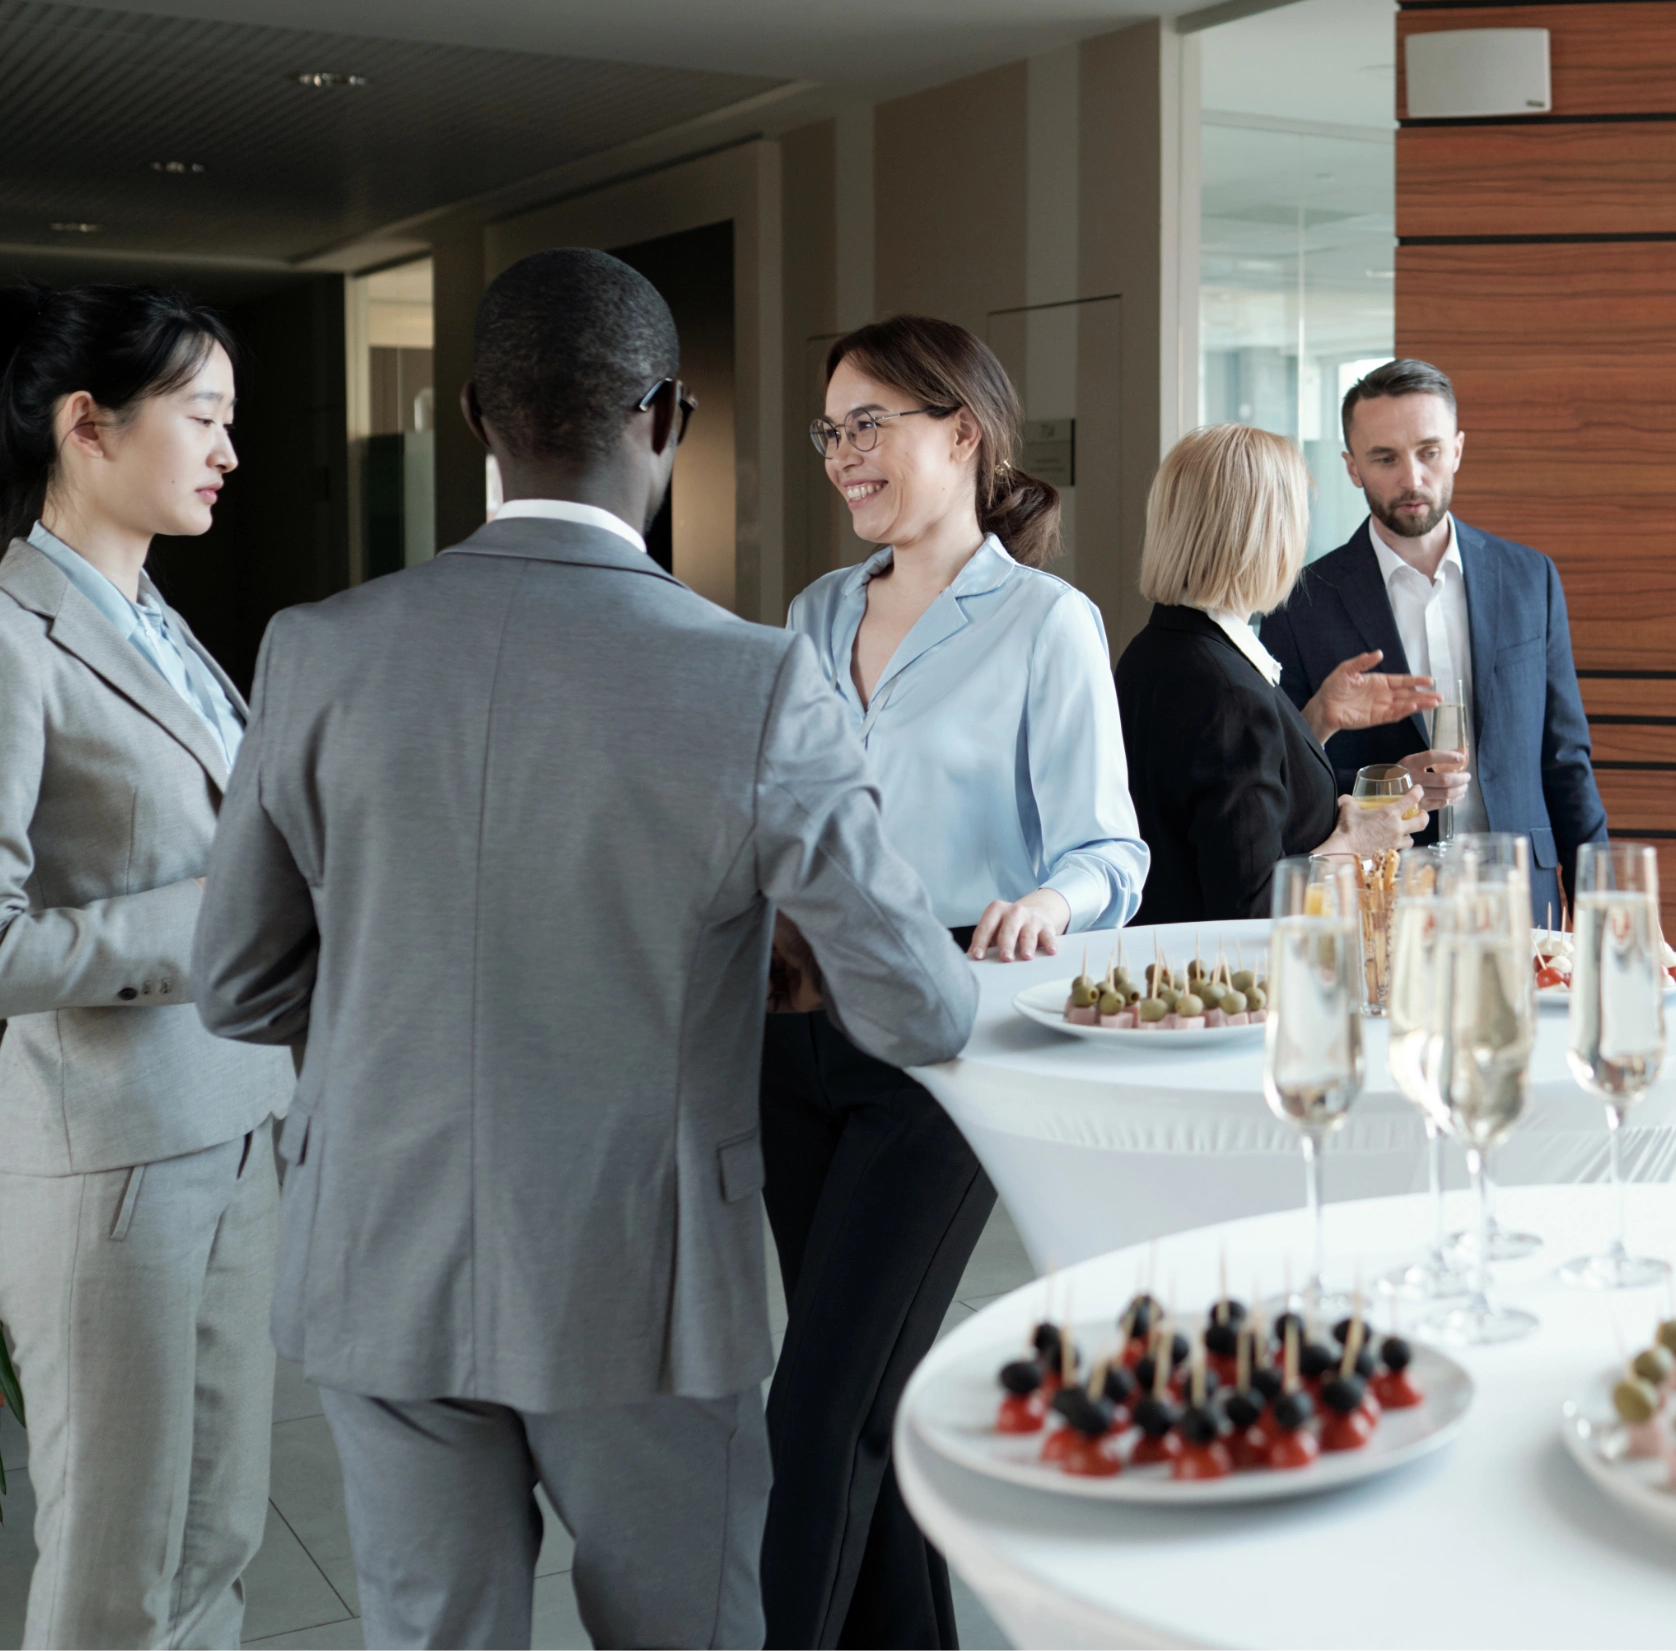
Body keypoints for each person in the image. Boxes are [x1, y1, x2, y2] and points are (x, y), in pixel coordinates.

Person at [191, 250, 976, 1650]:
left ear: (475, 418)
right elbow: (918, 1006)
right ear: (669, 416)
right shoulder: (752, 677)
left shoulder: (316, 648)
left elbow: (241, 977)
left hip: (382, 1248)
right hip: (645, 1281)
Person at [766, 313, 1148, 1650]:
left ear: (962, 432)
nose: (843, 455)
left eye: (870, 422)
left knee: (811, 1410)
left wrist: (1051, 899)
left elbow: (1109, 851)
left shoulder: (1046, 623)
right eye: (831, 429)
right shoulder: (817, 612)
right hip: (792, 1037)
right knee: (865, 1403)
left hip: (936, 1050)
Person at [0, 284, 292, 1651]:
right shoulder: (11, 635)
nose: (230, 449)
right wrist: (217, 916)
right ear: (88, 426)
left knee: (220, 1535)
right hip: (108, 1166)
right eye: (204, 416)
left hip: (236, 1129)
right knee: (117, 1562)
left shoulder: (162, 622)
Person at [1260, 357, 1605, 925]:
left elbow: (1566, 760)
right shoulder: (1298, 602)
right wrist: (1392, 784)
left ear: (1458, 450)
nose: (1412, 478)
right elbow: (1284, 783)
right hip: (1380, 901)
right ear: (1352, 467)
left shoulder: (1530, 578)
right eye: (1385, 458)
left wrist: (1604, 903)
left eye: (1429, 452)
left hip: (1520, 898)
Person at [1117, 423, 1447, 923]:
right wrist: (1357, 841)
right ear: (1264, 534)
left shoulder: (1158, 649)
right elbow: (1253, 902)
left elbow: (1225, 802)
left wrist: (1313, 722)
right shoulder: (1226, 687)